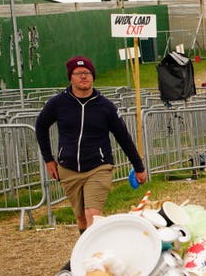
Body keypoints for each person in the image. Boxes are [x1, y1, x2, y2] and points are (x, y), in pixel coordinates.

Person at [35, 56, 147, 233]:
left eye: (87, 73)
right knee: (80, 218)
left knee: (92, 216)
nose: (83, 76)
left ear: (93, 76)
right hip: (68, 168)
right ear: (70, 77)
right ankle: (86, 256)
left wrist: (138, 166)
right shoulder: (58, 103)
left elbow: (123, 136)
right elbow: (40, 127)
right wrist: (48, 159)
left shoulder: (106, 106)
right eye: (78, 73)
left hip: (98, 167)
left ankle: (93, 256)